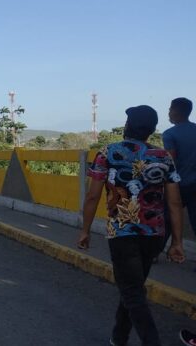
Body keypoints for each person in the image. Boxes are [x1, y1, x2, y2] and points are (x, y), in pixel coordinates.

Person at [78, 105, 185, 346]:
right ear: (152, 130)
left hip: (123, 232)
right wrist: (177, 241)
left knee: (132, 292)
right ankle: (119, 337)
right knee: (133, 287)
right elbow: (175, 202)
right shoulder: (163, 156)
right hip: (155, 233)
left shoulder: (108, 152)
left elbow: (93, 196)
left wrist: (85, 230)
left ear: (127, 127)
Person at [163, 97, 196, 238]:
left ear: (175, 111)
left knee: (167, 219)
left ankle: (154, 253)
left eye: (170, 109)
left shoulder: (170, 134)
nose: (169, 113)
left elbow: (171, 163)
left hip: (178, 186)